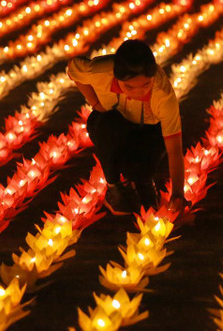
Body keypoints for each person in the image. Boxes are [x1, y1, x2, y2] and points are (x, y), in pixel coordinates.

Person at [68, 39, 188, 214]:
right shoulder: (101, 71)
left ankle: (143, 181)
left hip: (149, 132)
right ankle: (114, 186)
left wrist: (178, 194)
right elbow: (73, 68)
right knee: (101, 123)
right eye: (129, 87)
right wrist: (95, 103)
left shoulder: (163, 95)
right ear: (116, 77)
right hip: (115, 125)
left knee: (141, 173)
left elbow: (174, 149)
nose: (138, 92)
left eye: (146, 85)